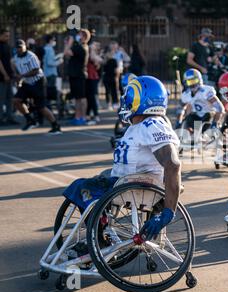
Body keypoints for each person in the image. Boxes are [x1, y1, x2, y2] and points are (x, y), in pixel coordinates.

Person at [64, 76, 181, 241]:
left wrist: (168, 212)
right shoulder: (140, 126)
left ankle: (97, 234)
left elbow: (173, 164)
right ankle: (98, 230)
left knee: (80, 187)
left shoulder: (152, 125)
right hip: (126, 184)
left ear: (142, 100)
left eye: (130, 96)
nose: (126, 101)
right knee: (89, 183)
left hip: (134, 188)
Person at [11, 39, 61, 134]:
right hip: (27, 82)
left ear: (25, 46)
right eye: (17, 48)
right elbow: (17, 68)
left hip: (38, 82)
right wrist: (18, 79)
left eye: (21, 47)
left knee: (41, 106)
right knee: (16, 100)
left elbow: (36, 71)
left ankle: (55, 125)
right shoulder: (16, 58)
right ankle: (30, 120)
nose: (19, 49)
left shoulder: (31, 56)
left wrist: (22, 76)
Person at [178, 68, 225, 133]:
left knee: (208, 114)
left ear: (199, 79)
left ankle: (211, 132)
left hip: (208, 119)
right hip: (197, 120)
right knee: (188, 118)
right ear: (186, 83)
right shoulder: (186, 94)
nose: (192, 84)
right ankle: (192, 135)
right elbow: (183, 109)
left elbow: (220, 108)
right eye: (190, 82)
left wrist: (215, 123)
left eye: (194, 81)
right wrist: (179, 121)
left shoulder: (206, 91)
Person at [64, 29, 90, 125]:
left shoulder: (81, 47)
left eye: (79, 34)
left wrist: (70, 42)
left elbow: (66, 52)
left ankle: (83, 117)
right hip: (74, 75)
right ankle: (77, 116)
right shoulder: (77, 46)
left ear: (83, 37)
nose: (77, 36)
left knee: (82, 97)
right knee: (77, 98)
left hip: (79, 75)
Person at [0, 29, 18, 125]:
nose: (8, 37)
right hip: (2, 77)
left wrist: (14, 72)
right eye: (6, 36)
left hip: (9, 76)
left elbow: (11, 61)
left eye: (8, 35)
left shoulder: (7, 46)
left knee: (10, 98)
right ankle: (1, 118)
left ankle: (9, 117)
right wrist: (4, 74)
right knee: (1, 98)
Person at [43, 35, 63, 106]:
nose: (55, 42)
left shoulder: (45, 48)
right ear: (50, 40)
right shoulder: (50, 49)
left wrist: (57, 57)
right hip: (51, 74)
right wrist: (59, 62)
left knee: (47, 92)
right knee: (50, 93)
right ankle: (49, 109)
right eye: (54, 40)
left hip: (46, 73)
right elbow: (50, 62)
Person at [86, 41, 103, 125]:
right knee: (89, 97)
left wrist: (93, 49)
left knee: (92, 96)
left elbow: (98, 61)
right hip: (88, 77)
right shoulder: (88, 51)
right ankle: (88, 114)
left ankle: (95, 114)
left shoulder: (95, 54)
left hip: (92, 77)